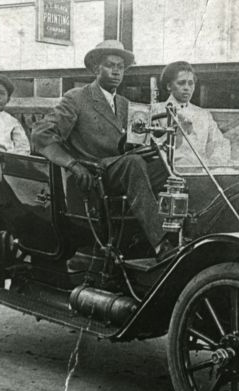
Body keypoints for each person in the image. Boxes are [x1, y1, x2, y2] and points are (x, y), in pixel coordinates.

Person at [31, 40, 172, 257]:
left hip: (122, 171)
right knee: (134, 163)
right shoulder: (77, 98)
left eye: (120, 67)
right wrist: (74, 165)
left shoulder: (126, 104)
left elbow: (131, 143)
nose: (116, 71)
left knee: (168, 169)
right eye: (110, 65)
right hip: (96, 172)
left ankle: (170, 234)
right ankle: (161, 244)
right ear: (97, 68)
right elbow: (42, 134)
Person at [154, 61, 230, 166]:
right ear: (169, 86)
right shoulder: (156, 111)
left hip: (202, 173)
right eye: (181, 83)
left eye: (190, 83)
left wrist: (215, 160)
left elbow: (219, 143)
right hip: (170, 173)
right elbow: (153, 149)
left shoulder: (204, 115)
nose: (187, 87)